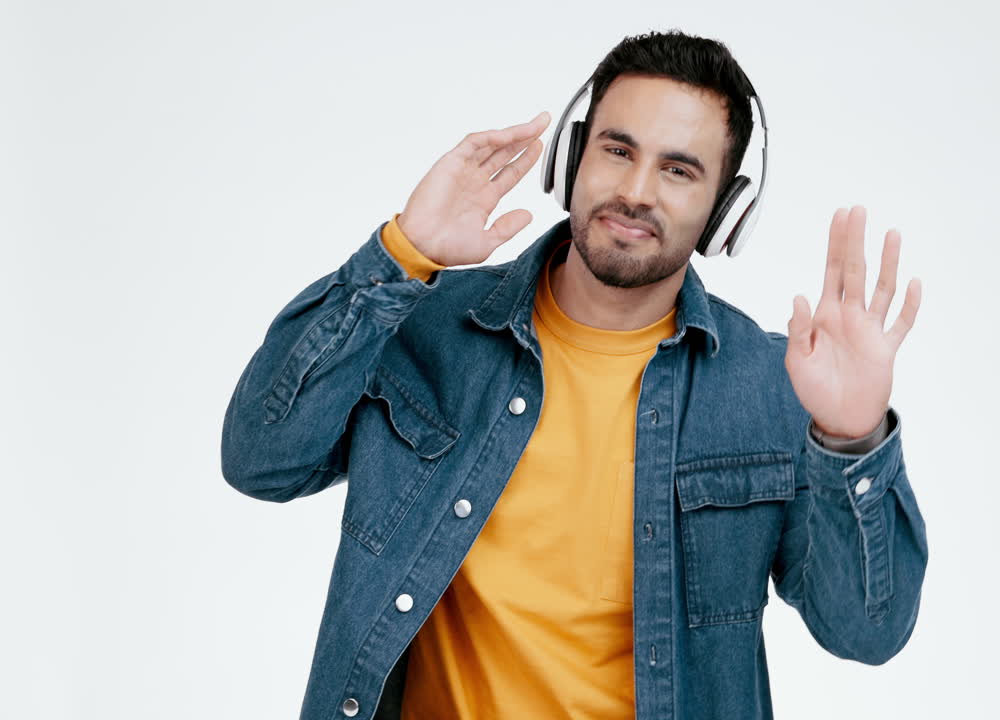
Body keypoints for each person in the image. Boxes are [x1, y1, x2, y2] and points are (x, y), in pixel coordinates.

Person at [221, 29, 927, 720]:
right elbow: (260, 460)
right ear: (571, 156)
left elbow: (865, 631)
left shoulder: (771, 386)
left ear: (725, 212)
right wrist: (400, 254)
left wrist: (851, 436)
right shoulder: (428, 320)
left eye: (679, 171)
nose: (636, 191)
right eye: (617, 151)